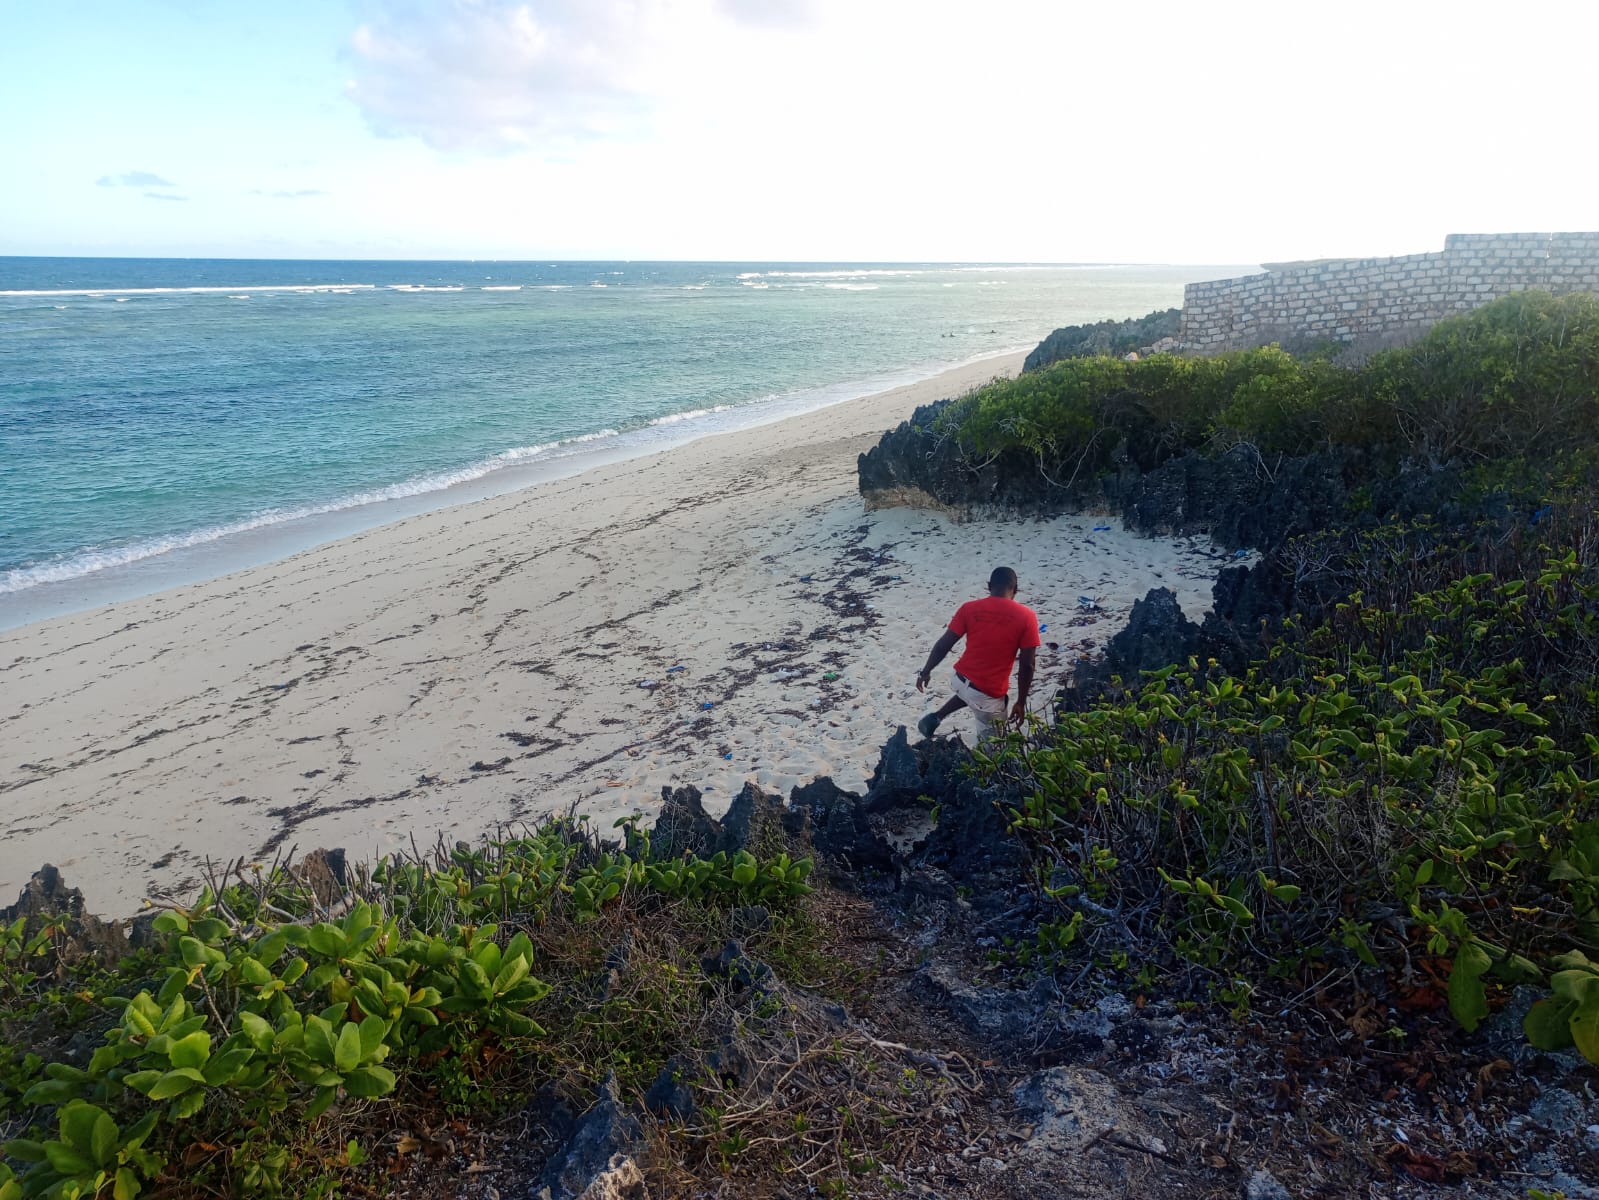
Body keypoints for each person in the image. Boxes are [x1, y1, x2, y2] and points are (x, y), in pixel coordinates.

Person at [915, 567, 1040, 739]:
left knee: (972, 692)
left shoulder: (969, 608)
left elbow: (943, 644)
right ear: (1015, 590)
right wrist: (1021, 702)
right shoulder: (1027, 617)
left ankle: (936, 717)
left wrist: (925, 671)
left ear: (989, 586)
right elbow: (1028, 665)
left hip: (959, 680)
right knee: (994, 749)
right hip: (987, 697)